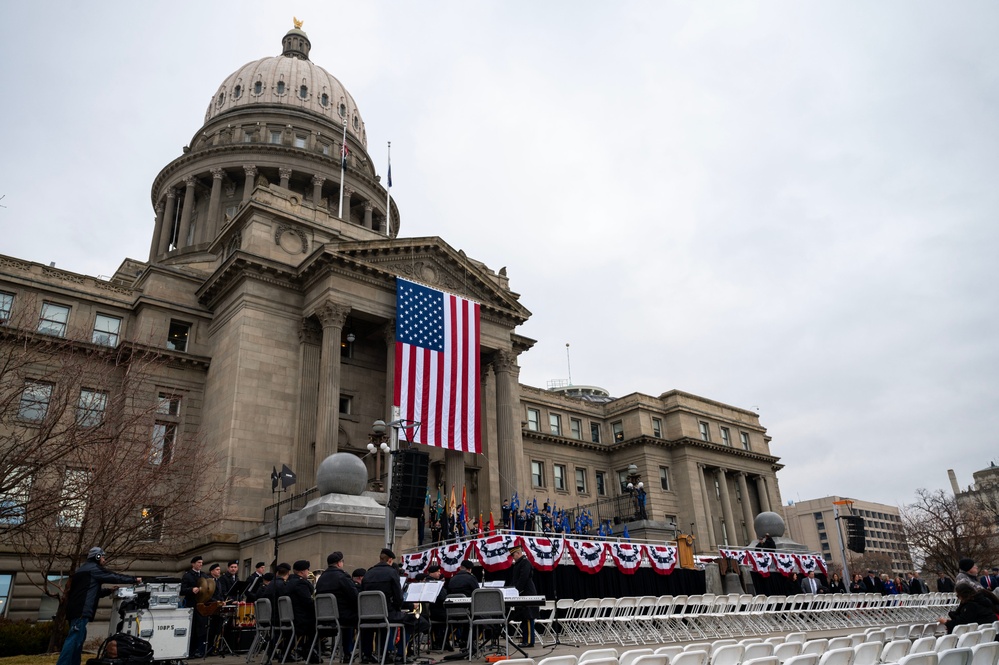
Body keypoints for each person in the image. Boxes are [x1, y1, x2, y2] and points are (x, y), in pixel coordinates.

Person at [55, 547, 140, 665]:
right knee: (73, 641)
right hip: (81, 611)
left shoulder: (82, 570)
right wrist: (134, 579)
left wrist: (108, 591)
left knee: (78, 641)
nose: (104, 559)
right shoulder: (94, 570)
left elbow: (91, 591)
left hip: (75, 611)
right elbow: (113, 576)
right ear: (97, 556)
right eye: (103, 556)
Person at [361, 549, 407, 662]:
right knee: (411, 620)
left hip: (367, 615)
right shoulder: (392, 573)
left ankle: (367, 654)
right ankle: (399, 654)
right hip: (387, 614)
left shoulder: (368, 573)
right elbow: (399, 597)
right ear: (390, 560)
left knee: (376, 622)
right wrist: (397, 608)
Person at [316, 551, 358, 660]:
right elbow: (354, 596)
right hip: (342, 617)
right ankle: (349, 652)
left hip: (324, 617)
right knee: (359, 618)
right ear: (339, 563)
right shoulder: (343, 576)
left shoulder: (321, 579)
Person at [284, 560, 318, 662]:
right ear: (302, 571)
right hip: (301, 619)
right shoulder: (300, 583)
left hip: (292, 616)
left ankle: (302, 650)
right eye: (307, 570)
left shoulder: (289, 582)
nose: (308, 572)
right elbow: (307, 602)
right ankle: (308, 650)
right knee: (322, 625)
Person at [507, 545, 539, 648]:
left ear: (518, 553)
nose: (513, 557)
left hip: (527, 593)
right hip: (522, 593)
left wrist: (516, 590)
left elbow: (523, 578)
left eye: (513, 555)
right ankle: (525, 639)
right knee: (524, 618)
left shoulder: (525, 563)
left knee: (529, 618)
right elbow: (515, 579)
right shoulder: (518, 564)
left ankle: (529, 641)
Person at [181, 555, 210, 658]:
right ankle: (191, 651)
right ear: (193, 564)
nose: (200, 565)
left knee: (202, 628)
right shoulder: (187, 575)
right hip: (192, 604)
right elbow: (182, 590)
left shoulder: (204, 575)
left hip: (202, 605)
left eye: (201, 563)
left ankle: (200, 650)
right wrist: (191, 590)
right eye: (198, 563)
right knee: (192, 629)